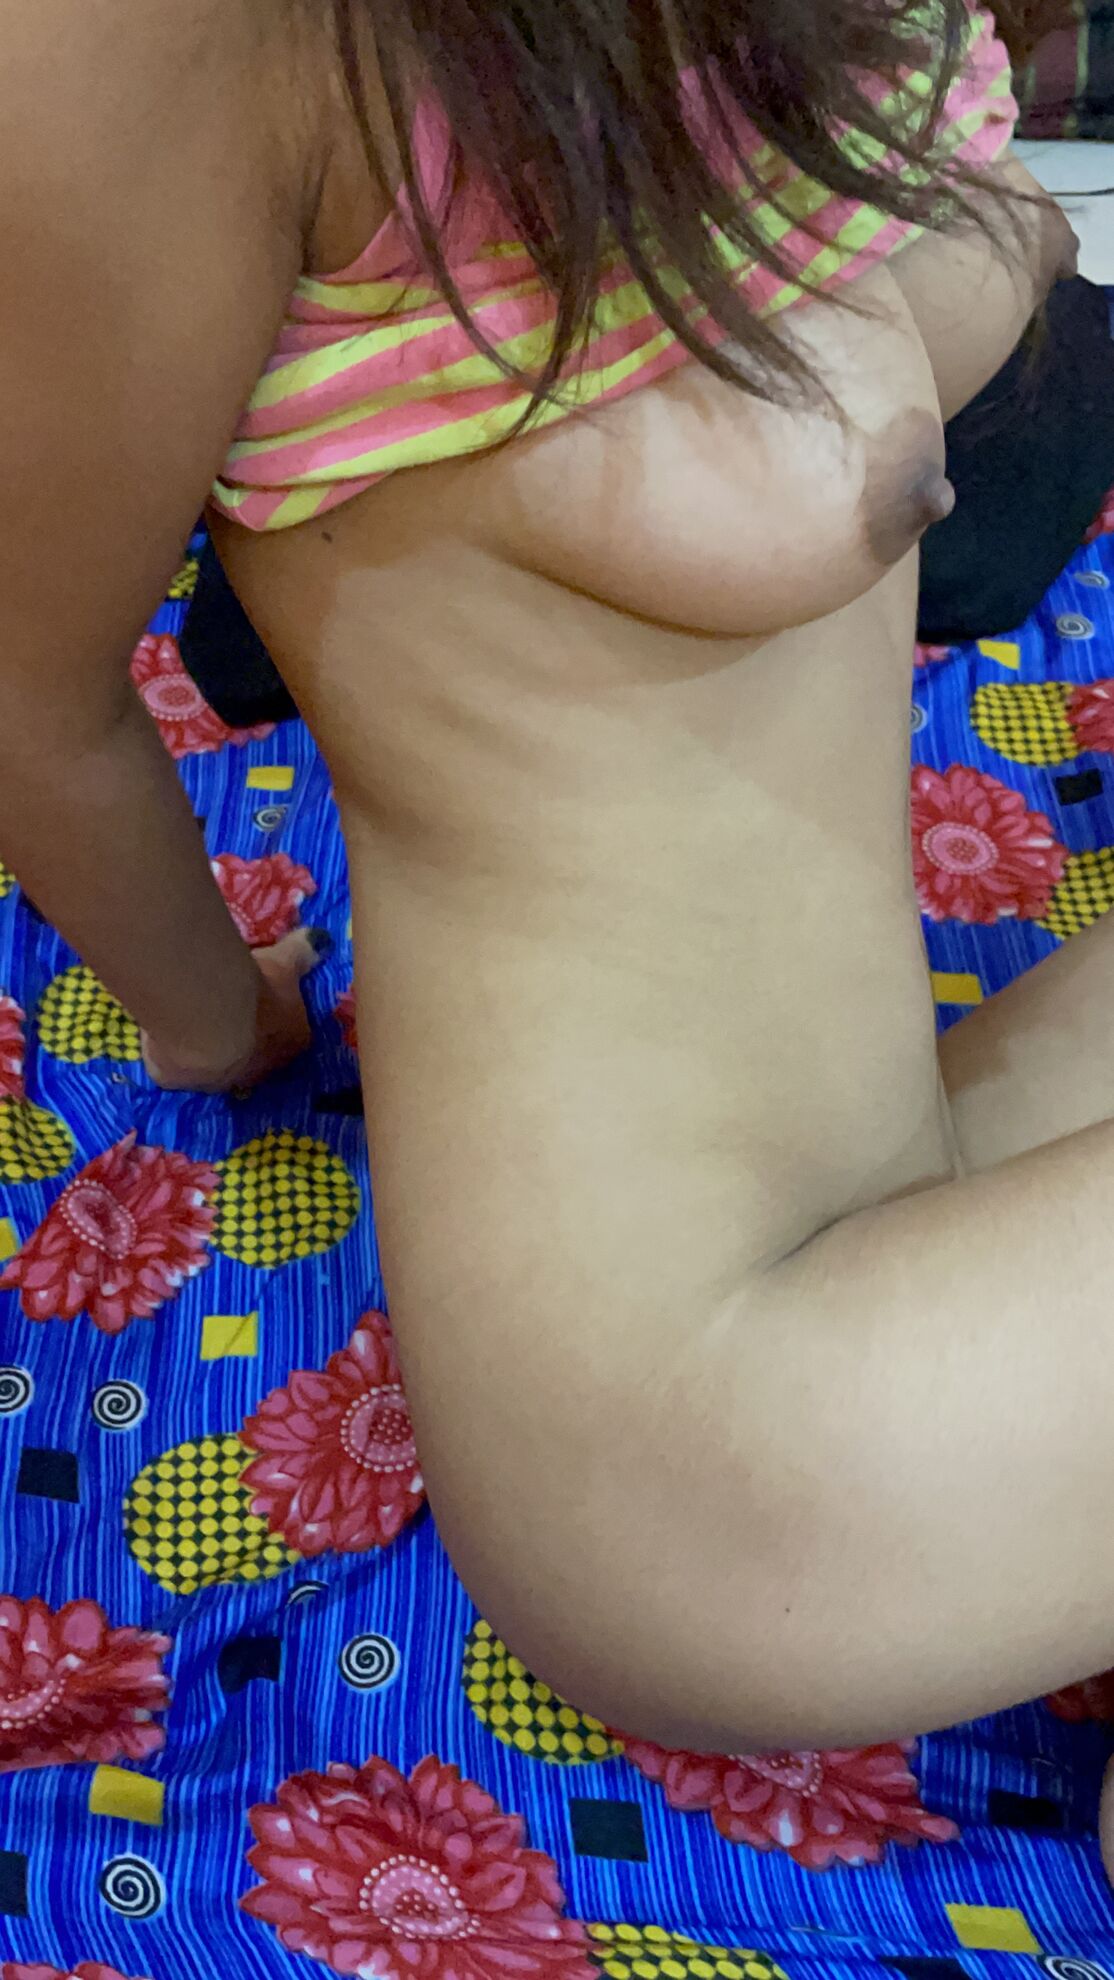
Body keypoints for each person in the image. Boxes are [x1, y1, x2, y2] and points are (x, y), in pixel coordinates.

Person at [0, 0, 1099, 1758]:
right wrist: (220, 1026)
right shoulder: (163, 42)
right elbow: (25, 693)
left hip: (918, 1177)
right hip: (713, 1430)